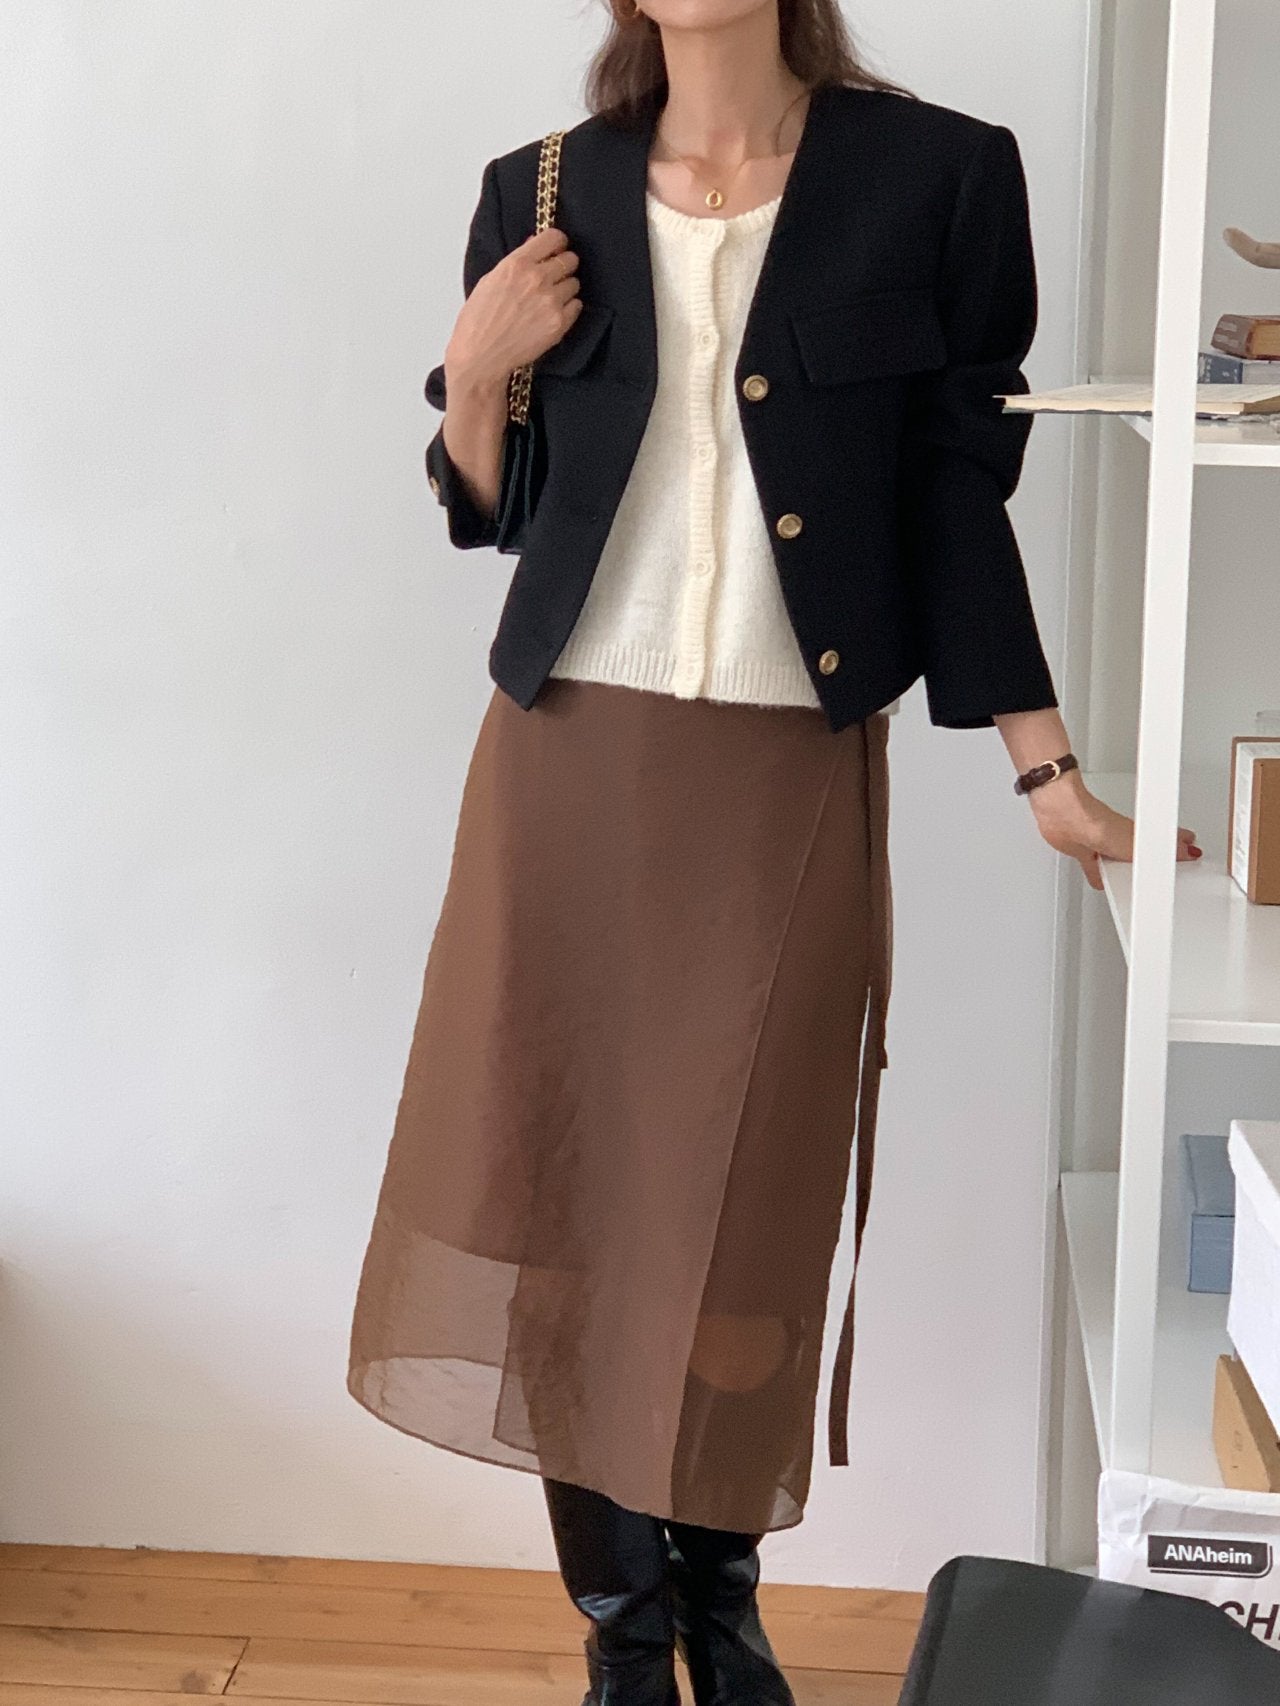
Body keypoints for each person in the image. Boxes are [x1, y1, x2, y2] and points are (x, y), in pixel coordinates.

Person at [348, 4, 1204, 1702]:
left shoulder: (940, 178)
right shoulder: (539, 188)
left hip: (782, 779)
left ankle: (719, 1609)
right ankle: (624, 1638)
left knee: (748, 1212)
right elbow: (491, 506)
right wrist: (477, 363)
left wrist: (1049, 772)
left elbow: (958, 493)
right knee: (561, 1199)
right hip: (563, 766)